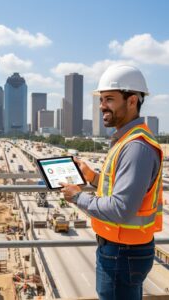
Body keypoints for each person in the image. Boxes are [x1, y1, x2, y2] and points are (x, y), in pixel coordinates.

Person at [60, 64, 163, 300]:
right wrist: (93, 178)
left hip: (122, 253)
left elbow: (121, 209)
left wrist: (77, 196)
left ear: (132, 101)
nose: (101, 106)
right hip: (121, 250)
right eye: (101, 99)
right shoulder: (125, 140)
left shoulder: (136, 146)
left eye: (109, 99)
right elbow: (121, 192)